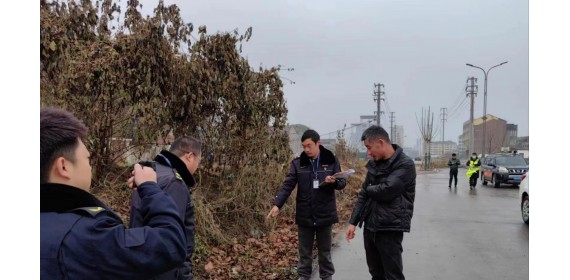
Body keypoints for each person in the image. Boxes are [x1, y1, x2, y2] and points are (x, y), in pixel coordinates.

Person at [40, 107, 187, 279]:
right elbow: (170, 243)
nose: (90, 167)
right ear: (63, 166)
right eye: (87, 159)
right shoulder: (86, 235)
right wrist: (150, 187)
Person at [267, 129, 347, 280]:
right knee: (304, 252)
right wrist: (277, 204)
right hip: (305, 214)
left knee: (325, 252)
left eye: (309, 145)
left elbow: (342, 182)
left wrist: (335, 181)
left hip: (325, 213)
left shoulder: (331, 160)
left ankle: (326, 276)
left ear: (318, 143)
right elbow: (288, 185)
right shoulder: (298, 164)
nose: (306, 149)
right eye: (304, 146)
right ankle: (304, 276)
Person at [345, 125, 416, 280]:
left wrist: (368, 188)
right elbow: (363, 195)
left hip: (390, 228)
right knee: (376, 274)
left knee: (393, 275)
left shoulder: (405, 164)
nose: (368, 153)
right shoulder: (375, 165)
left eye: (369, 148)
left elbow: (387, 190)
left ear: (381, 142)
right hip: (370, 228)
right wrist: (353, 222)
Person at [130, 136, 201, 280]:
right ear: (190, 156)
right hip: (163, 270)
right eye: (199, 161)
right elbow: (173, 237)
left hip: (140, 261)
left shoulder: (151, 175)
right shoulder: (174, 182)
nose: (198, 167)